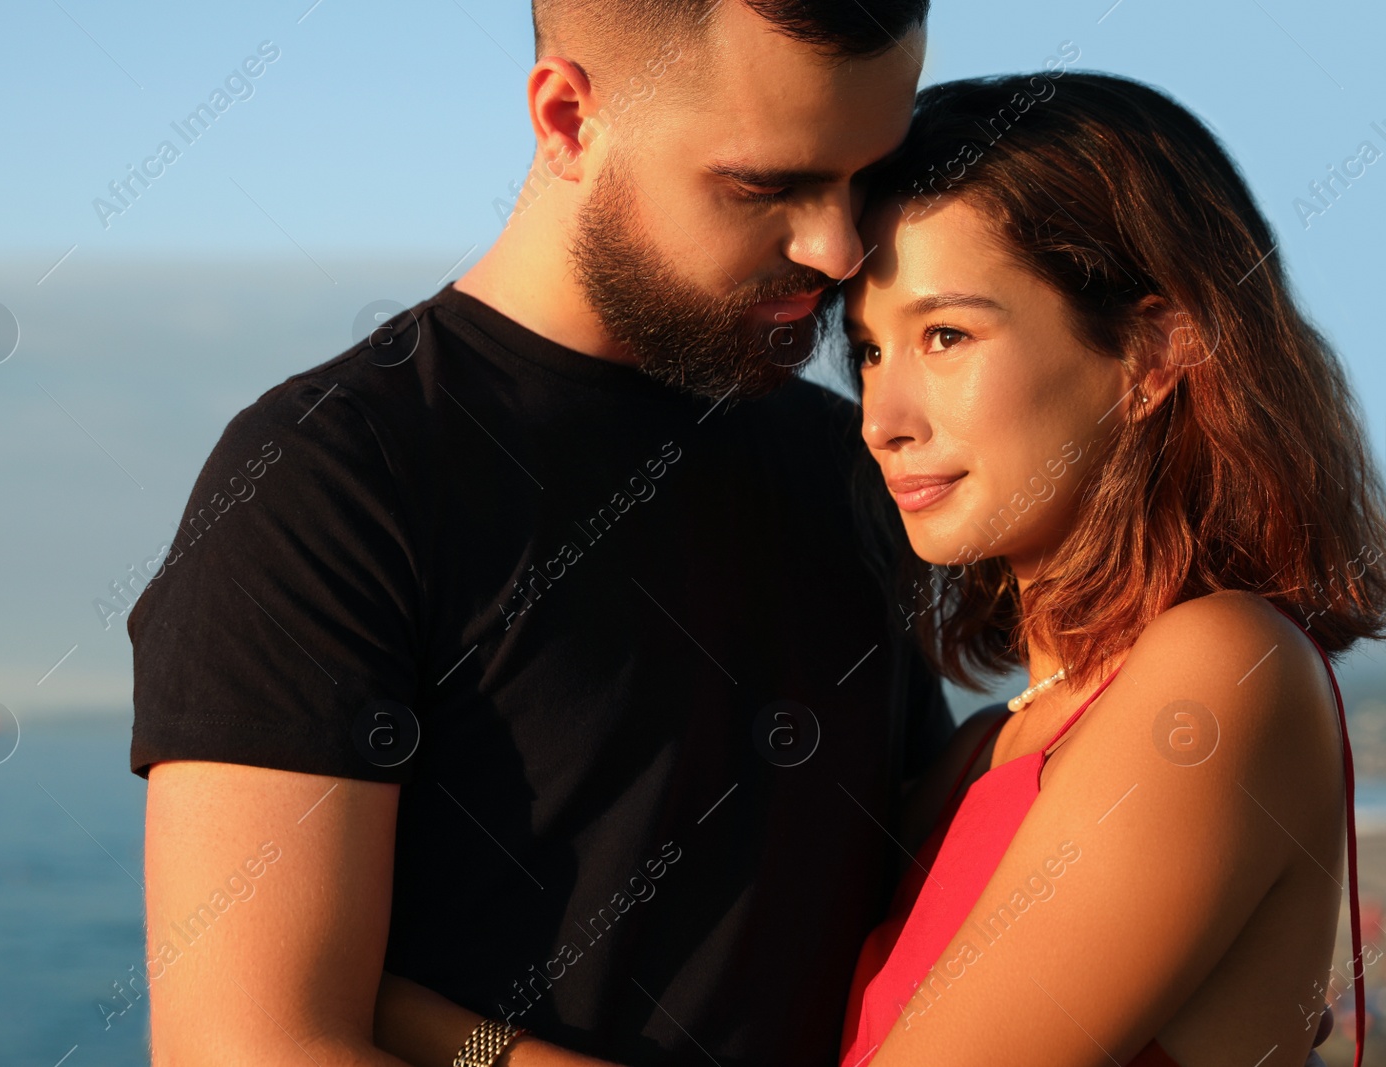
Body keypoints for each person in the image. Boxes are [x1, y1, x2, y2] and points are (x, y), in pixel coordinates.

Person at [128, 3, 954, 1066]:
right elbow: (247, 1049)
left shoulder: (861, 463)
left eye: (866, 178)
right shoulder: (329, 478)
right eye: (766, 186)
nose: (836, 248)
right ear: (567, 118)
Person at [834, 73, 1386, 1067]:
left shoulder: (1222, 672)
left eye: (946, 334)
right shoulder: (975, 756)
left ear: (1148, 350)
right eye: (868, 349)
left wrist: (467, 1038)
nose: (882, 418)